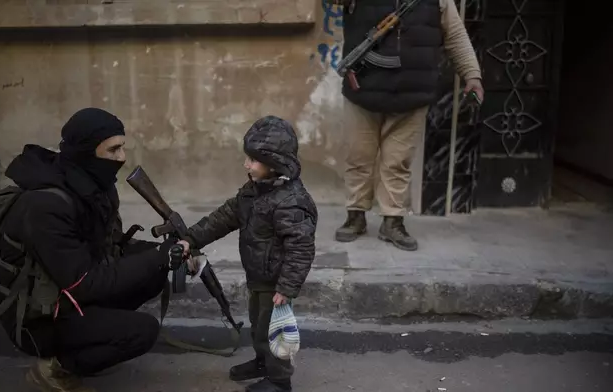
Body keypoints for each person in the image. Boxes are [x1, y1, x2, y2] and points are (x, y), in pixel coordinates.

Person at [0, 108, 188, 392]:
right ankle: (55, 368)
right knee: (143, 331)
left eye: (122, 147)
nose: (122, 158)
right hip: (37, 319)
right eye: (113, 149)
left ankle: (91, 344)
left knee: (154, 272)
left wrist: (167, 252)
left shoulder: (92, 185)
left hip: (66, 296)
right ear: (86, 152)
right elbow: (84, 283)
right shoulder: (47, 206)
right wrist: (158, 256)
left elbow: (112, 244)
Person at [178, 115, 318, 392]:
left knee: (274, 330)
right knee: (258, 325)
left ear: (274, 163)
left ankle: (279, 382)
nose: (246, 165)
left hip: (275, 282)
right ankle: (262, 361)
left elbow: (301, 248)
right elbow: (224, 217)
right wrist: (190, 238)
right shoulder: (253, 191)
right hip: (258, 276)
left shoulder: (291, 202)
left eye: (253, 160)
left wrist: (287, 287)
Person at [333, 0, 484, 250]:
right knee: (359, 156)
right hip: (363, 90)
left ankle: (392, 220)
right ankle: (355, 215)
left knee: (398, 161)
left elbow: (455, 34)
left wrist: (472, 75)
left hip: (413, 92)